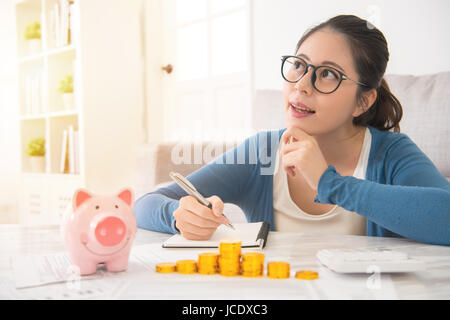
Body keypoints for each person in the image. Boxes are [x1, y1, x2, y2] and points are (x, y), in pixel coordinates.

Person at [134, 15, 450, 246]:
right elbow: (145, 204)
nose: (301, 85)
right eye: (299, 65)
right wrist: (177, 214)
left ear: (363, 101)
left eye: (327, 74)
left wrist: (331, 183)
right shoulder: (262, 152)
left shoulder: (390, 153)